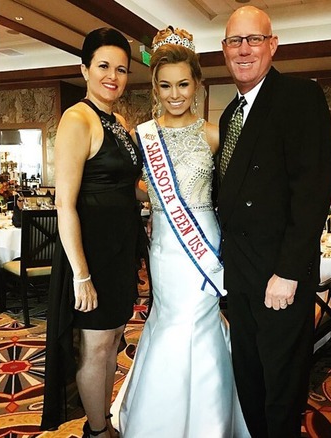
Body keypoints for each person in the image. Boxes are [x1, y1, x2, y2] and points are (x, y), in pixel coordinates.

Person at [110, 26, 250, 438]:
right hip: (165, 248)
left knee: (200, 323)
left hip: (204, 244)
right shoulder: (143, 136)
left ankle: (209, 421)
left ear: (197, 84)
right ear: (155, 86)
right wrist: (151, 203)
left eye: (183, 85)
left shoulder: (213, 135)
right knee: (168, 321)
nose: (175, 95)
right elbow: (131, 185)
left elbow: (234, 192)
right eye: (166, 85)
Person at [214, 6, 331, 437]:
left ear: (273, 45)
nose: (243, 50)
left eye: (254, 39)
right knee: (248, 373)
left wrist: (287, 272)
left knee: (281, 383)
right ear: (224, 50)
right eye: (234, 41)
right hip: (241, 273)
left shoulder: (300, 97)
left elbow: (312, 193)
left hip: (279, 275)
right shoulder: (230, 115)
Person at [39, 27, 143, 438]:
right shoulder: (76, 118)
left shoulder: (118, 119)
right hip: (92, 253)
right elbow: (65, 202)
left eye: (121, 69)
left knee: (114, 338)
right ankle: (97, 431)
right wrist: (81, 274)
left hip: (119, 251)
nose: (112, 76)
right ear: (84, 68)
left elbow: (126, 185)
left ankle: (102, 421)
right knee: (95, 346)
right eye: (103, 66)